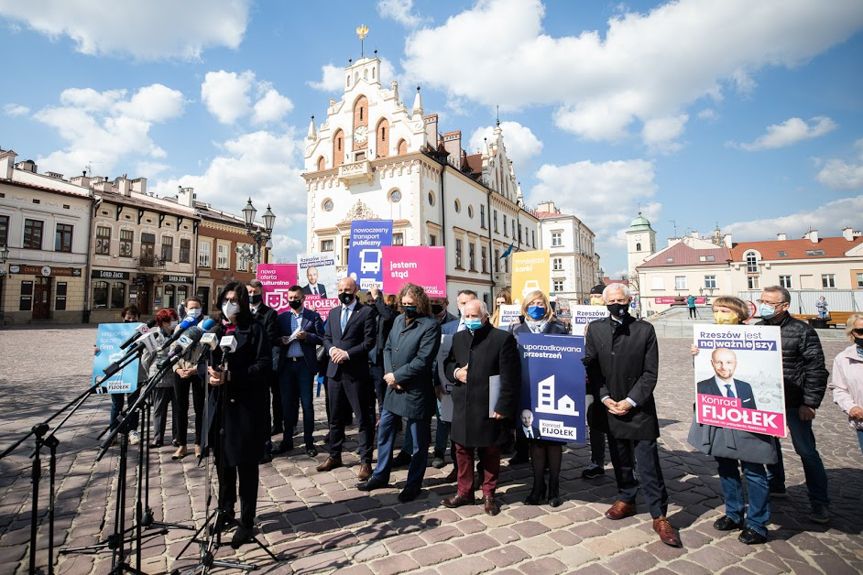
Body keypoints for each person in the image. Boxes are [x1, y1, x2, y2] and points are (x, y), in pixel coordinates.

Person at [583, 283, 681, 547]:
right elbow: (592, 370)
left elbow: (650, 374)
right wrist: (604, 398)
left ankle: (659, 515)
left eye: (621, 299)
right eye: (612, 300)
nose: (617, 303)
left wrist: (630, 401)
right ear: (605, 303)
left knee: (648, 464)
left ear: (629, 300)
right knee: (619, 458)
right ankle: (626, 497)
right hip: (609, 405)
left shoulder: (644, 330)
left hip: (638, 407)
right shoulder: (595, 329)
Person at [688, 296, 777, 545]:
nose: (719, 314)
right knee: (726, 468)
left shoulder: (758, 336)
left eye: (724, 310)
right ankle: (734, 512)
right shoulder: (708, 337)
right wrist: (696, 355)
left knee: (754, 470)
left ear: (739, 313)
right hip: (718, 414)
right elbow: (702, 376)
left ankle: (757, 522)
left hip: (750, 418)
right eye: (715, 310)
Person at [358, 283, 441, 502]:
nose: (407, 308)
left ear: (420, 303)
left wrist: (399, 376)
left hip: (415, 389)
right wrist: (389, 374)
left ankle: (413, 483)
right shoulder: (396, 320)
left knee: (417, 441)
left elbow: (423, 360)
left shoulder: (430, 325)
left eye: (411, 305)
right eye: (404, 304)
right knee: (385, 430)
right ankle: (381, 474)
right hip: (393, 386)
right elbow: (386, 347)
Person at [205, 282, 271, 548]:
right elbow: (203, 363)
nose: (229, 303)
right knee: (223, 463)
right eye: (225, 299)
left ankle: (246, 520)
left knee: (245, 465)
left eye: (234, 299)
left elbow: (264, 367)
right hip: (220, 407)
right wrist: (207, 374)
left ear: (243, 303)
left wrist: (231, 376)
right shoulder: (216, 329)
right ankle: (225, 509)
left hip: (245, 408)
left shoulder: (255, 329)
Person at [758, 285, 830, 524]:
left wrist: (810, 403)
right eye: (762, 300)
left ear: (785, 306)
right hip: (766, 402)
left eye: (770, 302)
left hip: (794, 401)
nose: (764, 306)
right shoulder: (757, 329)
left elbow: (816, 369)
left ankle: (819, 502)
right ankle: (776, 484)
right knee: (769, 447)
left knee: (807, 451)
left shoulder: (802, 331)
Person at [443, 299, 520, 516]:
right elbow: (448, 363)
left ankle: (489, 493)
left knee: (489, 451)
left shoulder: (501, 338)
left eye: (474, 316)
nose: (470, 320)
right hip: (463, 405)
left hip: (489, 405)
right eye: (466, 316)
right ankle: (464, 491)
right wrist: (456, 373)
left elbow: (510, 376)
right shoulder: (458, 338)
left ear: (485, 316)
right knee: (462, 451)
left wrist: (503, 405)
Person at [510, 290, 569, 507]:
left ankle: (554, 487)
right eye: (533, 303)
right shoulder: (516, 329)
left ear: (547, 306)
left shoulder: (560, 327)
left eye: (541, 303)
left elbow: (568, 358)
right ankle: (537, 486)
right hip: (528, 392)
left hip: (554, 389)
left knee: (553, 441)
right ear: (525, 306)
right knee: (534, 441)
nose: (537, 306)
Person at [317, 277, 377, 481]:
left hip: (356, 374)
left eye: (348, 289)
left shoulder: (367, 312)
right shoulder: (333, 313)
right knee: (335, 418)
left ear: (356, 290)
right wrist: (332, 349)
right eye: (341, 289)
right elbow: (326, 337)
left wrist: (348, 354)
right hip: (334, 373)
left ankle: (365, 461)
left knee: (363, 419)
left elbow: (369, 342)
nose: (344, 292)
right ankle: (334, 456)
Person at [275, 285, 324, 457]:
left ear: (303, 299)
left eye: (296, 297)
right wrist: (280, 340)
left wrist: (308, 337)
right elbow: (273, 338)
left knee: (307, 405)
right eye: (290, 297)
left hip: (304, 365)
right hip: (287, 366)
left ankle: (309, 442)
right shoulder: (282, 318)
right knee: (287, 404)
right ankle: (287, 440)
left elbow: (322, 338)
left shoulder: (313, 316)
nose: (292, 300)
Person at [248, 279, 281, 461]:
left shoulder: (269, 313)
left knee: (262, 408)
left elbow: (268, 339)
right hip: (245, 367)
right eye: (249, 292)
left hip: (261, 368)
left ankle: (265, 445)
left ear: (261, 292)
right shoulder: (242, 313)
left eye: (255, 292)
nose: (252, 295)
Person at [171, 297, 207, 459]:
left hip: (198, 371)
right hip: (181, 370)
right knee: (180, 408)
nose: (194, 310)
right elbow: (172, 350)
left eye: (197, 307)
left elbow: (209, 351)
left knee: (200, 408)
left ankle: (199, 443)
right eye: (191, 308)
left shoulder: (206, 326)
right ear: (185, 309)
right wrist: (177, 368)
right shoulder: (180, 326)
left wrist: (196, 369)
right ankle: (182, 444)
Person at [582, 284, 608, 479]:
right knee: (594, 421)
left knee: (618, 422)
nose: (595, 299)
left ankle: (629, 463)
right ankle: (596, 461)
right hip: (590, 381)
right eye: (593, 296)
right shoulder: (581, 320)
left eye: (599, 295)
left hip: (611, 379)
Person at [829, 313, 863, 453]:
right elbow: (838, 388)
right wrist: (851, 408)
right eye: (860, 331)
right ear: (852, 333)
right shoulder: (843, 359)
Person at [147, 308, 179, 449]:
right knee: (159, 409)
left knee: (177, 408)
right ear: (163, 322)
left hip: (177, 376)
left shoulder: (179, 334)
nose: (173, 323)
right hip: (159, 378)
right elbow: (146, 359)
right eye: (170, 320)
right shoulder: (154, 336)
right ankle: (158, 437)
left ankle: (177, 437)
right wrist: (153, 371)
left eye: (174, 319)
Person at [110, 306, 142, 445]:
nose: (131, 320)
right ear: (123, 317)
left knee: (133, 404)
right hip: (117, 374)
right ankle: (114, 432)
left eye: (134, 318)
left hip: (134, 372)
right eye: (128, 317)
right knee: (117, 404)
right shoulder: (114, 332)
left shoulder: (142, 332)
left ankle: (132, 431)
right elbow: (106, 347)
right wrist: (98, 350)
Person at [368, 285, 397, 417]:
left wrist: (377, 298)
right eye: (369, 301)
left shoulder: (390, 313)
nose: (371, 303)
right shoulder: (370, 313)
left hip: (382, 360)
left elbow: (387, 316)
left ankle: (387, 423)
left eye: (372, 301)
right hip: (369, 359)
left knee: (382, 395)